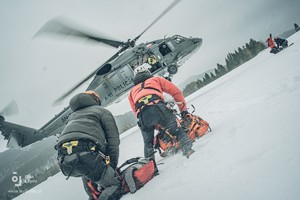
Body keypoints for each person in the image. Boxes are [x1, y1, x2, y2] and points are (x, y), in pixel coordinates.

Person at [55, 90, 121, 200]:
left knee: (90, 183)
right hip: (87, 156)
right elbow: (113, 142)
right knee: (114, 185)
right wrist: (111, 168)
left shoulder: (71, 117)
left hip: (64, 162)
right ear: (95, 100)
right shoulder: (102, 111)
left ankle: (92, 193)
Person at [128, 63, 194, 159]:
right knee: (177, 131)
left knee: (148, 144)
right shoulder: (156, 80)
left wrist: (153, 122)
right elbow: (176, 92)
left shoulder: (131, 92)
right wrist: (183, 110)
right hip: (158, 107)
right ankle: (188, 152)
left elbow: (135, 111)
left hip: (143, 115)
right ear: (148, 72)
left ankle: (151, 169)